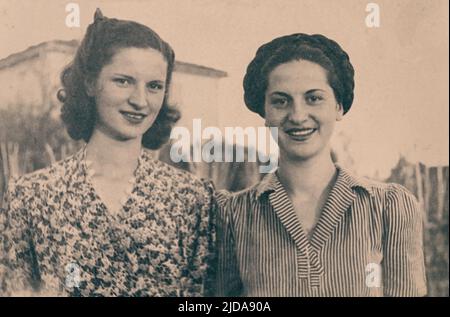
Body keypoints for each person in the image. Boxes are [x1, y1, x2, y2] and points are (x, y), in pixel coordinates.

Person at [0, 9, 215, 296]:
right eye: (123, 81)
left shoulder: (194, 198)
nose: (140, 101)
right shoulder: (31, 195)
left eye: (154, 86)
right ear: (90, 83)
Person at [216, 33, 427, 297]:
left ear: (338, 107)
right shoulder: (234, 215)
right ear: (265, 113)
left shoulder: (390, 207)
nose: (298, 116)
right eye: (280, 101)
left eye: (314, 98)